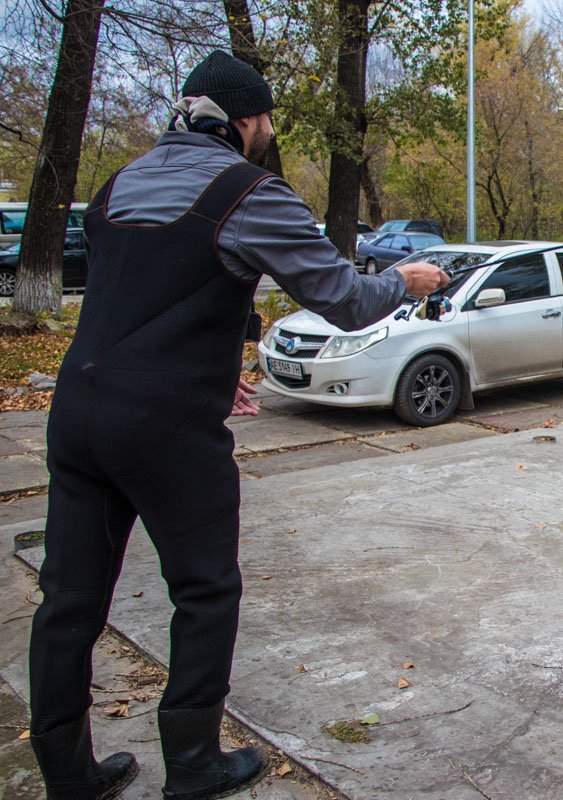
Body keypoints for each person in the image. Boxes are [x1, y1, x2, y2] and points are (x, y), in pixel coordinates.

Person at [27, 51, 448, 800]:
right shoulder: (249, 190)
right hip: (167, 427)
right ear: (247, 119)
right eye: (268, 121)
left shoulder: (114, 186)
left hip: (76, 414)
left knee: (68, 603)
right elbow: (346, 299)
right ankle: (192, 764)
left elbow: (151, 293)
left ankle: (68, 776)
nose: (268, 133)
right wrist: (403, 281)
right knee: (205, 590)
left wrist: (233, 330)